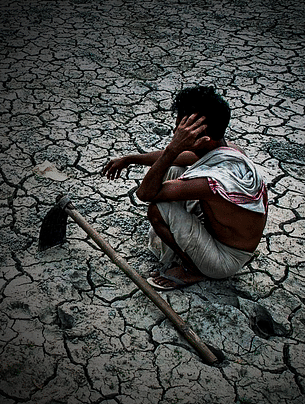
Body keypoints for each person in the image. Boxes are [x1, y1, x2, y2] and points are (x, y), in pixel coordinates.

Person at [101, 86, 268, 290]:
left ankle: (192, 270)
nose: (175, 133)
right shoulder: (225, 149)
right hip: (222, 235)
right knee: (174, 169)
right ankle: (192, 252)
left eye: (181, 129)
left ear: (202, 135)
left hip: (225, 260)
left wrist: (174, 146)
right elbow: (175, 159)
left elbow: (144, 194)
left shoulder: (212, 182)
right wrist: (129, 159)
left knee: (157, 210)